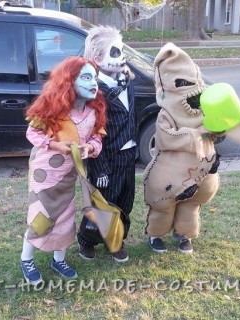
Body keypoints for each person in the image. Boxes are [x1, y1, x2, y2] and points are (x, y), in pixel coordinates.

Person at [143, 43, 240, 254]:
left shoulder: (207, 104)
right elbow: (165, 138)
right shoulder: (166, 113)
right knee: (163, 207)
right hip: (171, 177)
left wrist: (221, 127)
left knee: (190, 207)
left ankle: (184, 235)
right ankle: (156, 234)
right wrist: (198, 134)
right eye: (182, 84)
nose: (191, 92)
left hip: (201, 173)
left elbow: (222, 127)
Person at [19, 56, 107, 285]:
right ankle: (26, 258)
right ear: (69, 80)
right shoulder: (52, 106)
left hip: (69, 175)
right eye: (86, 77)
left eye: (95, 78)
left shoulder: (94, 111)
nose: (93, 83)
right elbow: (33, 134)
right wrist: (54, 144)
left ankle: (59, 260)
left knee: (66, 217)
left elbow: (97, 138)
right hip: (45, 175)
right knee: (41, 217)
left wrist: (90, 148)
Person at [77, 25, 138, 263]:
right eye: (114, 53)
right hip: (106, 156)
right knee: (104, 203)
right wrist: (99, 166)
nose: (121, 57)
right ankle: (87, 239)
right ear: (96, 59)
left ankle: (117, 239)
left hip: (128, 153)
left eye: (121, 51)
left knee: (125, 200)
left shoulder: (126, 80)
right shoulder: (93, 90)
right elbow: (92, 131)